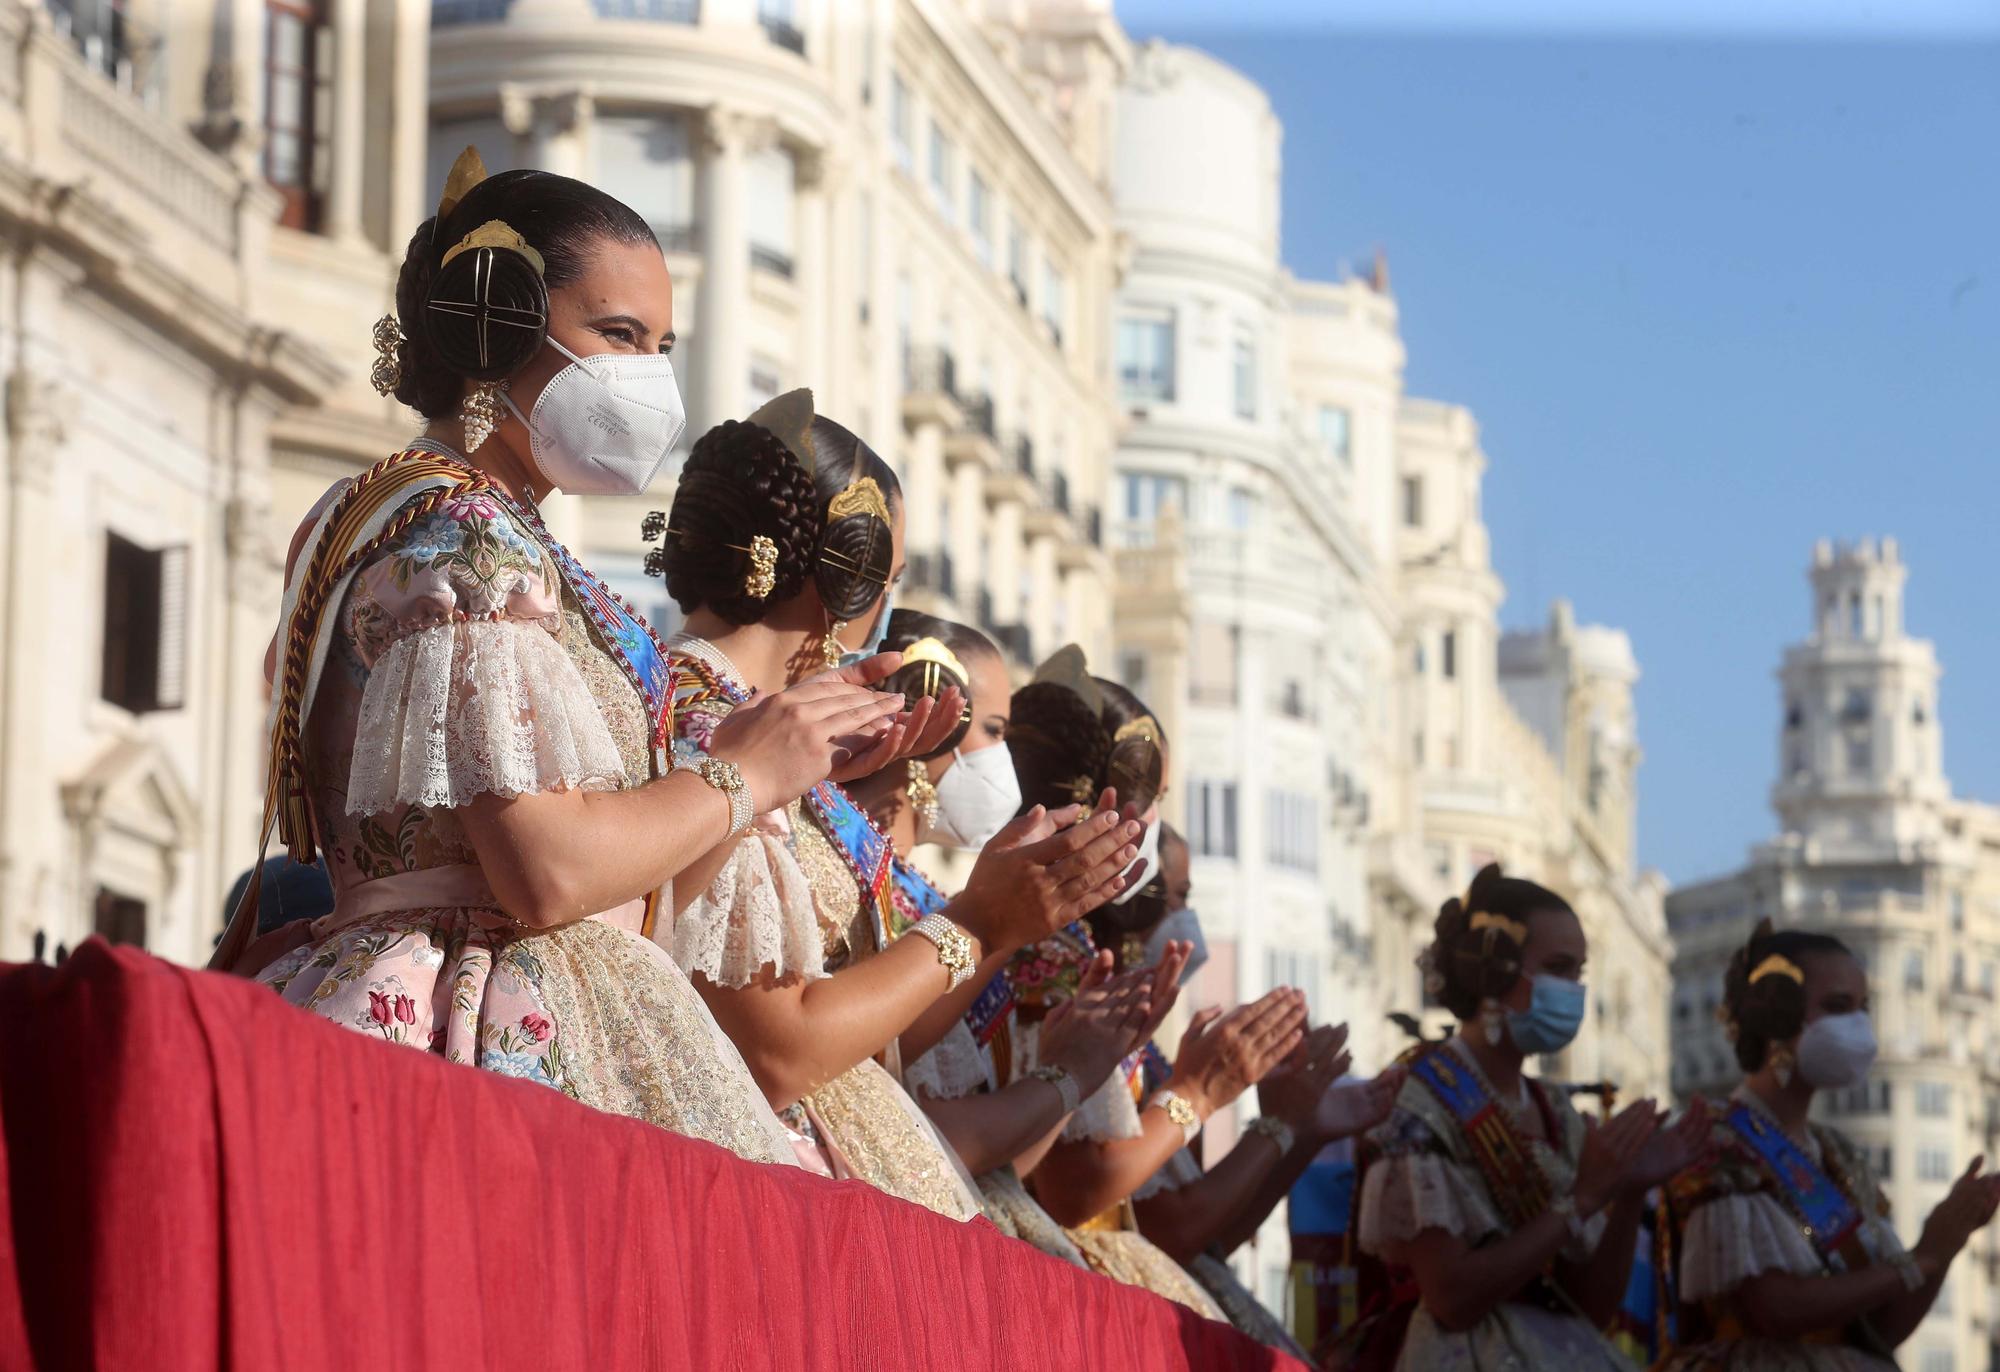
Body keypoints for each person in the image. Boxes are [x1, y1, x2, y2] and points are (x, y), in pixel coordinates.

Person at [231, 150, 933, 1166]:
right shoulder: (463, 540)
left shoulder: (417, 514)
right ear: (496, 322)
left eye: (660, 344)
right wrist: (744, 773)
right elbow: (547, 872)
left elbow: (612, 888)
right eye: (616, 335)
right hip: (473, 1026)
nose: (646, 375)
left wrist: (734, 775)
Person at [649, 402, 1144, 1217]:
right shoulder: (722, 727)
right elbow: (782, 1050)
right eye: (892, 579)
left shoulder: (756, 729)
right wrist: (978, 925)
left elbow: (866, 1037)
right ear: (851, 571)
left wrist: (996, 923)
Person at [844, 610, 1181, 1263]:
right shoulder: (986, 925)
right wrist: (1190, 1096)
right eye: (993, 732)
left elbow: (1002, 1166)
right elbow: (1057, 1181)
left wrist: (1071, 1073)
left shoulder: (955, 906)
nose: (1005, 760)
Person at [1000, 647, 1318, 1325]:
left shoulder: (1064, 943)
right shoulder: (1050, 951)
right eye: (1154, 799)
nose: (1157, 828)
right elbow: (1080, 1187)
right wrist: (1198, 1096)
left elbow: (1199, 1231)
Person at [1352, 863, 1710, 1371]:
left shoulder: (1556, 1111)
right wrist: (1581, 1200)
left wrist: (1626, 1194)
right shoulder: (1421, 1098)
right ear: (1494, 972)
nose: (1574, 990)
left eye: (1578, 973)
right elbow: (1452, 1299)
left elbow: (1587, 1307)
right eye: (1559, 969)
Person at [1655, 921, 2000, 1370]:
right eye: (1838, 1007)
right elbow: (1770, 1309)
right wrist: (1919, 1258)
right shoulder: (1718, 1139)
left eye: (1863, 1008)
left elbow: (1881, 1330)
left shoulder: (1838, 1154)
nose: (1857, 1025)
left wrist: (1946, 1243)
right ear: (1776, 1016)